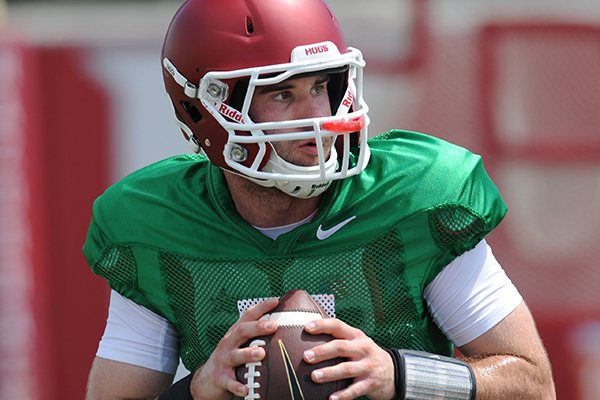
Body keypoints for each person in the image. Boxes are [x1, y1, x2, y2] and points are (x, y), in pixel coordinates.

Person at [83, 0, 555, 399]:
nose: (319, 118)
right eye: (283, 94)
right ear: (201, 110)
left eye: (321, 87)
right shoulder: (157, 224)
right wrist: (198, 388)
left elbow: (532, 382)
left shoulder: (414, 198)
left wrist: (400, 376)